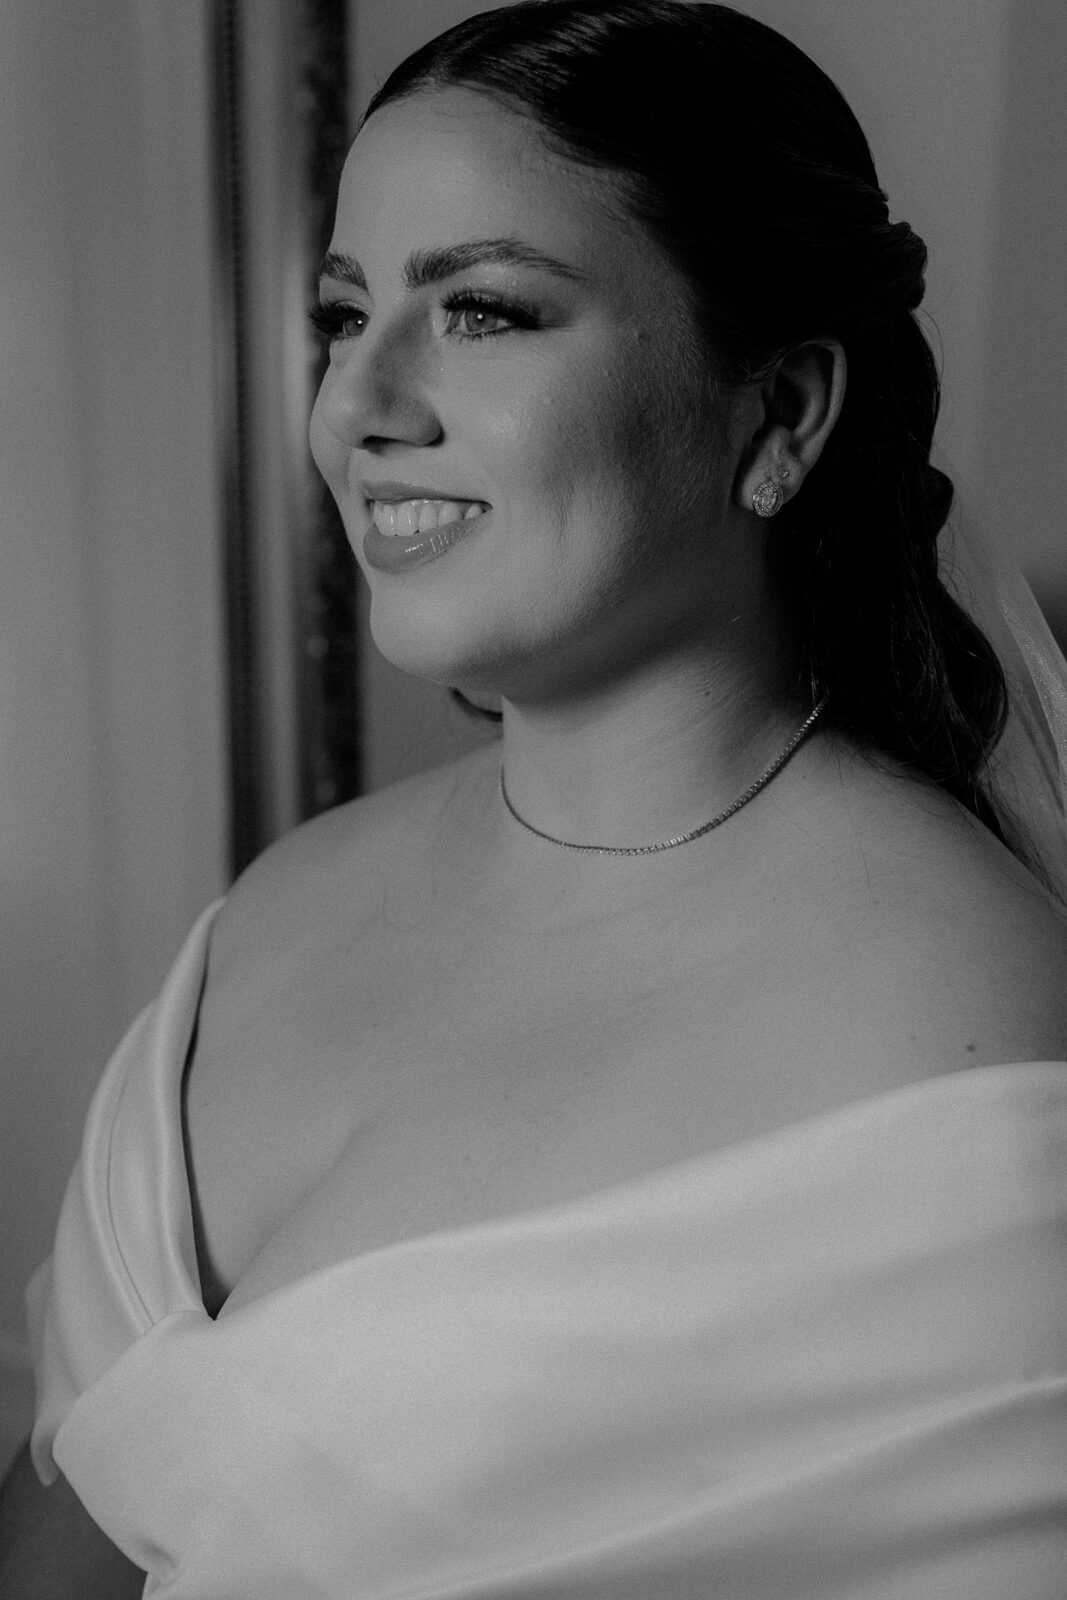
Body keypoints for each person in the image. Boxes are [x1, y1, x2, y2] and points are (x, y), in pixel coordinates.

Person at [2, 2, 1065, 1594]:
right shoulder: (281, 901)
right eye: (344, 316)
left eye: (485, 312)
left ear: (780, 410)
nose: (357, 409)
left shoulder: (958, 1046)